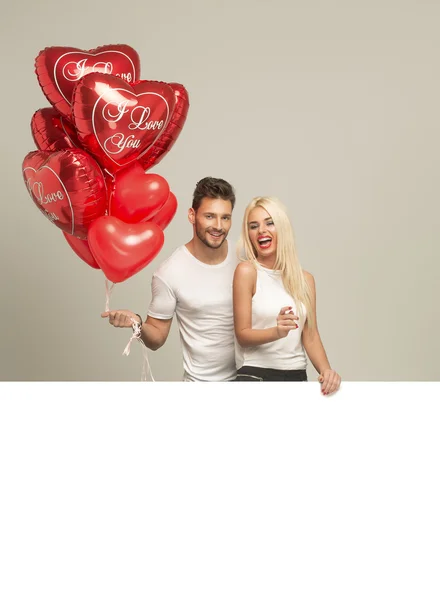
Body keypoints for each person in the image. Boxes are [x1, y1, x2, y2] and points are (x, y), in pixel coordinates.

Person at [101, 177, 238, 381]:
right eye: (210, 216)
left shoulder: (244, 256)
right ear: (192, 216)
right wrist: (137, 322)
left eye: (225, 218)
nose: (218, 226)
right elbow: (157, 337)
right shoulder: (170, 272)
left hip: (249, 381)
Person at [233, 196, 341, 395]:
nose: (261, 231)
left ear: (282, 227)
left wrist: (327, 371)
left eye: (270, 223)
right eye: (253, 226)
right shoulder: (247, 271)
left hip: (296, 376)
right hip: (256, 376)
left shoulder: (306, 279)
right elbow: (242, 334)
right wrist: (277, 331)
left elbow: (310, 335)